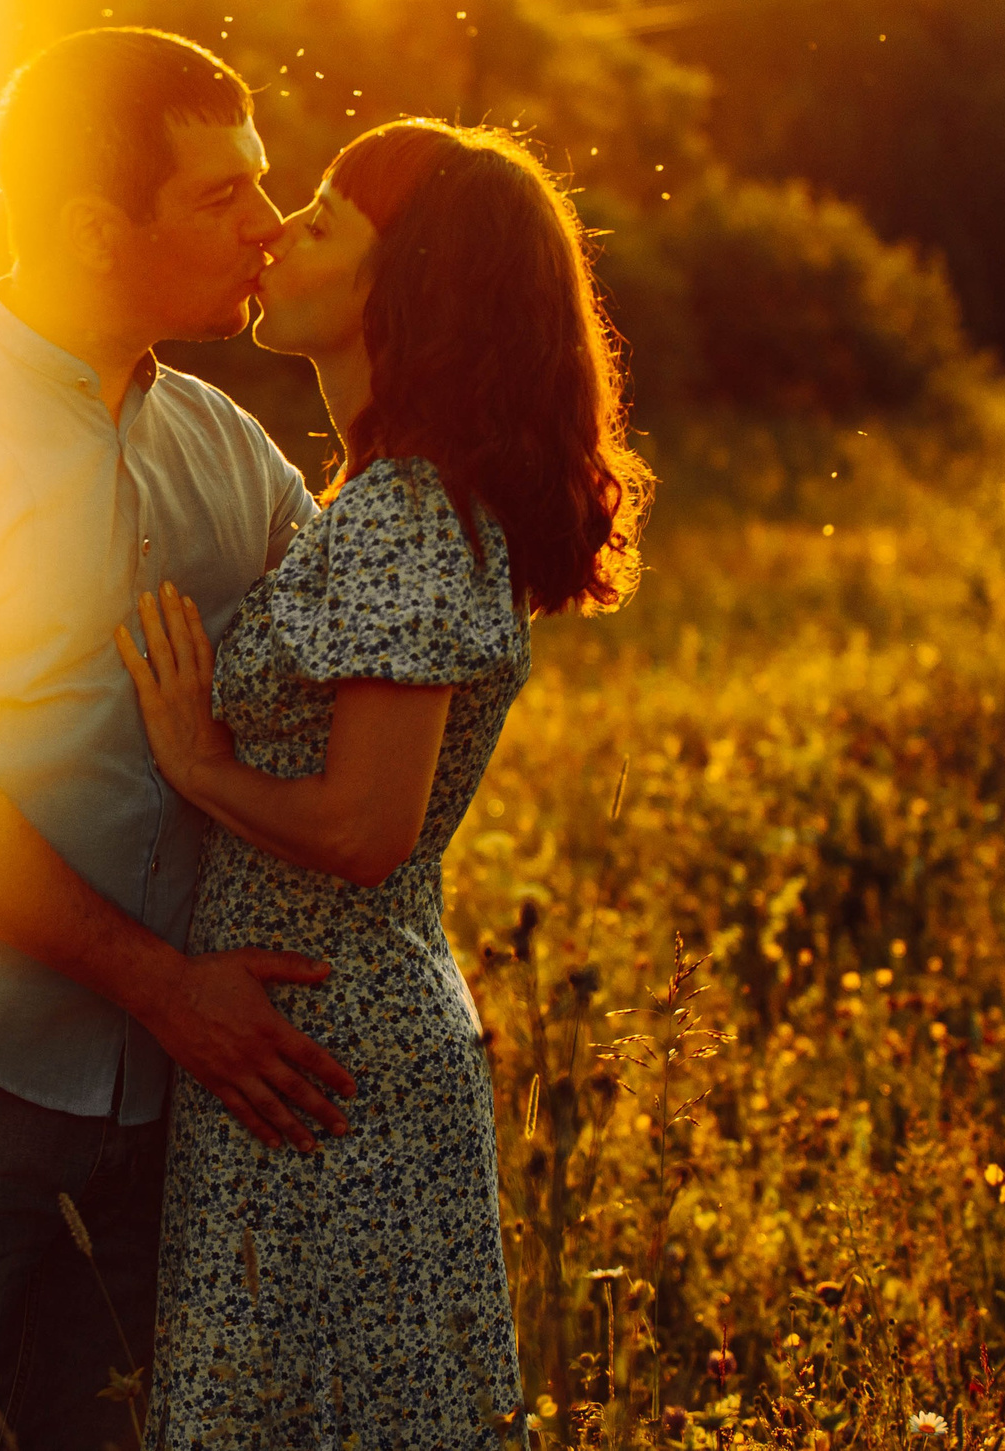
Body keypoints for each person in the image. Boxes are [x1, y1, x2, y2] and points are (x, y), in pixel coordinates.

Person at [0, 28, 357, 1451]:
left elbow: (360, 672)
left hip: (164, 1111)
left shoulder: (231, 447)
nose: (268, 222)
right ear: (98, 231)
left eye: (264, 183)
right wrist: (167, 990)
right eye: (222, 194)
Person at [117, 119, 652, 1447]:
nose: (275, 233)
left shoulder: (411, 512)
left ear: (404, 283)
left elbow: (366, 827)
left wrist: (196, 763)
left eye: (320, 219)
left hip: (331, 1051)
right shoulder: (376, 499)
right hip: (306, 1043)